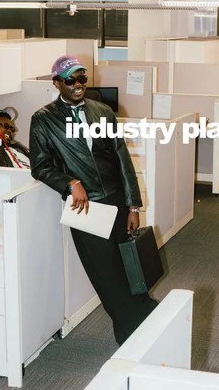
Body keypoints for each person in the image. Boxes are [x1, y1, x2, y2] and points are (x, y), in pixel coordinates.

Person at [29, 55, 158, 344]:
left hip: (116, 200)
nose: (78, 84)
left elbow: (121, 159)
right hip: (85, 208)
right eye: (70, 80)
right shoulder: (43, 119)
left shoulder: (103, 111)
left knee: (129, 265)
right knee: (106, 274)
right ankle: (132, 333)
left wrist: (133, 205)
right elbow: (40, 166)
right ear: (56, 83)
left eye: (82, 78)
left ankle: (140, 323)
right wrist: (70, 183)